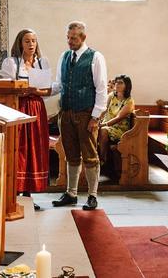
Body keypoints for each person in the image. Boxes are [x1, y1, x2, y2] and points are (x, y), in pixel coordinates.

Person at [51, 21, 107, 210]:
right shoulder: (64, 56)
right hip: (66, 113)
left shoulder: (95, 57)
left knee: (90, 156)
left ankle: (92, 196)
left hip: (86, 114)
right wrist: (39, 90)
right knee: (71, 155)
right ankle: (71, 193)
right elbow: (59, 85)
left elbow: (101, 89)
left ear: (83, 38)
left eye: (73, 38)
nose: (69, 41)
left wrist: (95, 117)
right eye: (68, 37)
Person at [0, 29, 51, 211]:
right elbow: (6, 88)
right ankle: (13, 192)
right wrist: (21, 91)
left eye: (34, 41)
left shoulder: (42, 63)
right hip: (18, 107)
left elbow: (48, 91)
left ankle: (28, 194)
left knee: (34, 148)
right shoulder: (12, 63)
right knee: (19, 148)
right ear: (20, 43)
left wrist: (35, 91)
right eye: (27, 41)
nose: (31, 44)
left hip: (36, 108)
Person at [98, 75, 135, 165]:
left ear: (127, 85)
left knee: (103, 130)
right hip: (106, 125)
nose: (117, 84)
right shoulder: (111, 96)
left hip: (119, 129)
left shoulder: (129, 101)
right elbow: (104, 109)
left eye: (121, 83)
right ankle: (91, 158)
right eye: (117, 82)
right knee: (93, 128)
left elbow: (119, 118)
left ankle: (102, 159)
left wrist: (104, 124)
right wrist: (97, 119)